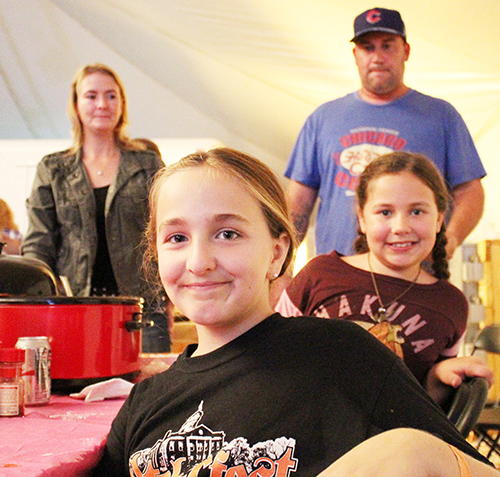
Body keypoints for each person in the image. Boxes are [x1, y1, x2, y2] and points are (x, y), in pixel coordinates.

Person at [92, 147, 497, 476]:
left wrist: (410, 453)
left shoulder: (341, 356)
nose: (199, 261)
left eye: (227, 233)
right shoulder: (144, 402)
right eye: (177, 237)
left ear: (277, 251)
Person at [276, 151, 493, 406]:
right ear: (362, 219)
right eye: (385, 212)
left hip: (392, 442)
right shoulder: (319, 273)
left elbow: (424, 406)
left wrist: (438, 377)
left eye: (417, 211)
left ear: (439, 219)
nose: (401, 227)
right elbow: (273, 352)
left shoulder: (452, 304)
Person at [285, 7, 486, 260]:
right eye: (368, 48)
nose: (377, 57)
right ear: (355, 55)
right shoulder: (323, 118)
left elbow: (470, 191)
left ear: (406, 51)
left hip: (415, 276)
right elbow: (298, 200)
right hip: (337, 274)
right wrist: (282, 267)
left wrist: (450, 239)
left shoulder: (441, 116)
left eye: (387, 46)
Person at [21, 64, 164, 303]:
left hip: (143, 307)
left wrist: (168, 296)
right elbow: (39, 243)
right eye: (91, 96)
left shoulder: (148, 165)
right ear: (76, 104)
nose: (102, 104)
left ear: (122, 104)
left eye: (111, 95)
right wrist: (38, 298)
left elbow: (167, 232)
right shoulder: (53, 169)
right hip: (72, 305)